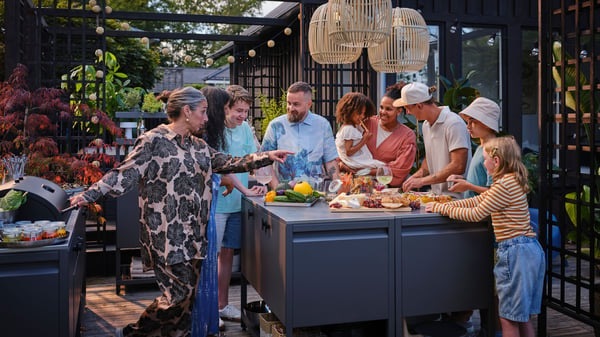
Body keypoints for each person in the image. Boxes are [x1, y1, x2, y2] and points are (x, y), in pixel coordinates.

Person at [69, 87, 291, 337]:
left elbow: (230, 162)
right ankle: (133, 332)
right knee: (178, 296)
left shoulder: (198, 146)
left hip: (195, 234)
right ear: (187, 111)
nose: (207, 118)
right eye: (203, 112)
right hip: (164, 234)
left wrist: (267, 156)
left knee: (187, 298)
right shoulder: (154, 140)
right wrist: (88, 195)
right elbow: (124, 173)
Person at [426, 136, 545, 337]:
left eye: (485, 158)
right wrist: (442, 205)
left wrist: (441, 208)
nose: (483, 162)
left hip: (515, 253)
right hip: (528, 250)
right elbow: (477, 201)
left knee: (508, 318)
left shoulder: (503, 186)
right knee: (522, 316)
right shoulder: (510, 181)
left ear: (496, 162)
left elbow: (476, 213)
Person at [213, 85, 266, 323]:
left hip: (238, 204)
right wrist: (245, 189)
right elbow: (225, 166)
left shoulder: (245, 129)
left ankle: (222, 305)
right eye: (238, 110)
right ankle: (208, 310)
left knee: (227, 255)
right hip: (218, 204)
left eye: (246, 111)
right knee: (210, 256)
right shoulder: (215, 130)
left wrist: (263, 184)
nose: (242, 115)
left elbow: (253, 159)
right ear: (225, 108)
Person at [396, 82, 471, 198]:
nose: (407, 113)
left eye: (407, 108)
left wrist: (422, 181)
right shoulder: (426, 125)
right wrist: (416, 177)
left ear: (419, 105)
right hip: (437, 196)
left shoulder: (453, 123)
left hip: (457, 199)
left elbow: (458, 165)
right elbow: (429, 159)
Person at [261, 81, 340, 187]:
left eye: (296, 104)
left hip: (314, 194)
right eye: (289, 103)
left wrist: (336, 187)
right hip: (284, 194)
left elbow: (330, 160)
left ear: (309, 105)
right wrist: (277, 189)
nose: (291, 108)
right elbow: (264, 160)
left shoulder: (322, 125)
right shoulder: (276, 126)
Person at [339, 82, 417, 187]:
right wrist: (342, 164)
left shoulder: (407, 136)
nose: (383, 112)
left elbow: (400, 168)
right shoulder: (366, 123)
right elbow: (344, 144)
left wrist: (366, 171)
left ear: (399, 111)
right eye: (381, 107)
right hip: (356, 186)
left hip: (386, 190)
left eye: (388, 109)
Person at [447, 97, 500, 198]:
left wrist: (468, 185)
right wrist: (464, 181)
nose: (468, 126)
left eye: (472, 121)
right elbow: (480, 182)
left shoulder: (494, 150)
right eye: (467, 122)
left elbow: (495, 193)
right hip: (473, 211)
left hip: (484, 212)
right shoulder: (481, 148)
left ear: (487, 124)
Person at [334, 92, 385, 170]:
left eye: (364, 113)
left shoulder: (352, 127)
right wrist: (364, 140)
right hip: (353, 162)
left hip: (353, 160)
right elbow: (349, 152)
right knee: (382, 166)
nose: (362, 116)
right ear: (349, 111)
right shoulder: (349, 129)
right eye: (359, 113)